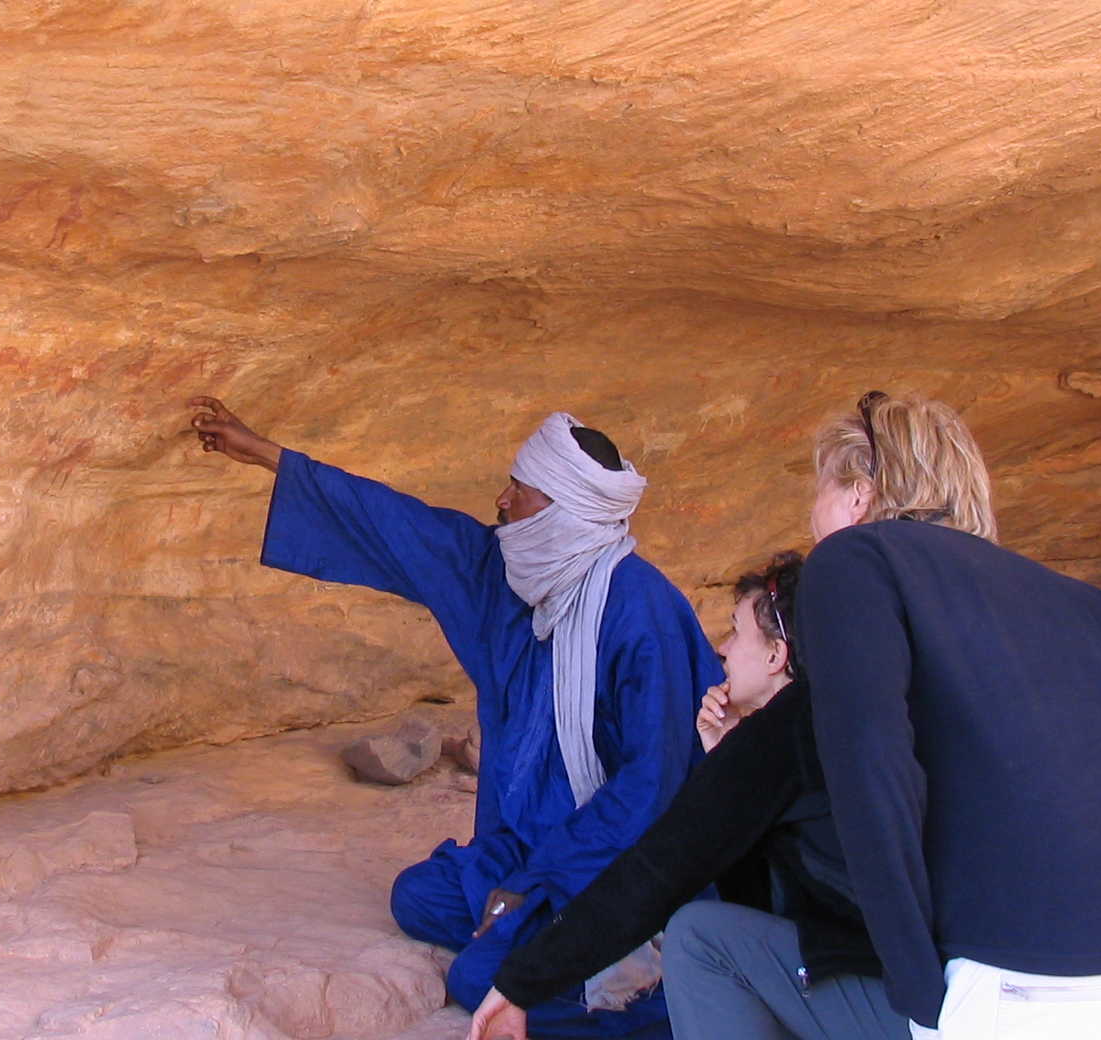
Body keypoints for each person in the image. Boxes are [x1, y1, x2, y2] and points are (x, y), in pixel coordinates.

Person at [188, 396, 722, 1038]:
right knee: (417, 897)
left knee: (476, 979)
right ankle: (541, 932)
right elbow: (396, 525)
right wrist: (264, 453)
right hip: (526, 844)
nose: (500, 499)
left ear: (561, 508)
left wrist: (539, 880)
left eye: (518, 490)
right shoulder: (504, 573)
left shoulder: (642, 612)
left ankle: (655, 992)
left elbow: (653, 788)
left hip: (613, 859)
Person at [796, 392, 1101, 1038]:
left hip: (1037, 973)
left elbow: (872, 761)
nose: (809, 519)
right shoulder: (1071, 598)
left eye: (817, 492)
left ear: (857, 493)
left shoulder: (855, 560)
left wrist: (917, 981)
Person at [465, 551, 909, 1040]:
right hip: (909, 978)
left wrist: (519, 985)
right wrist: (722, 755)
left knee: (697, 936)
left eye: (737, 631)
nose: (721, 647)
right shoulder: (843, 715)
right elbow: (756, 905)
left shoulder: (784, 733)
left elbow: (659, 873)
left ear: (775, 655)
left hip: (897, 1000)